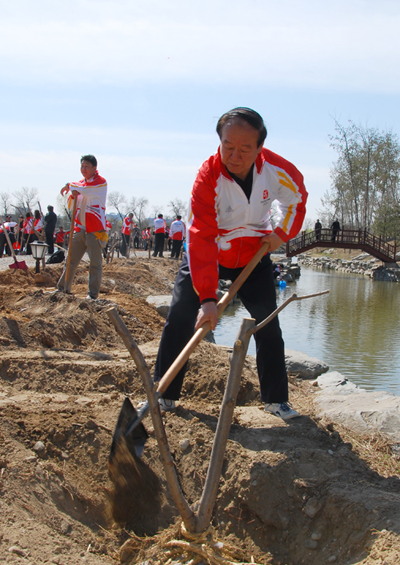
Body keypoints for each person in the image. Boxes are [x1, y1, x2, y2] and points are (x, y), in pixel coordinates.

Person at [153, 107, 308, 420]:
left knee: (267, 323)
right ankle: (164, 394)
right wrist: (208, 299)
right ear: (219, 142)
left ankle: (276, 400)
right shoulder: (207, 177)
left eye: (244, 149)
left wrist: (280, 234)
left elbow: (297, 199)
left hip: (254, 254)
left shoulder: (276, 170)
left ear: (260, 148)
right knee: (182, 316)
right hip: (211, 251)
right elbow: (201, 237)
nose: (234, 156)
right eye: (228, 147)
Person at [56, 155, 108, 300]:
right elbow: (72, 204)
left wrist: (70, 186)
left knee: (95, 263)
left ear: (94, 168)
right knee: (71, 260)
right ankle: (63, 288)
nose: (83, 169)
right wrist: (72, 194)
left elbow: (86, 190)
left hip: (97, 230)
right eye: (82, 166)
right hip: (80, 228)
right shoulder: (79, 185)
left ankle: (92, 294)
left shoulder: (101, 183)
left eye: (87, 166)